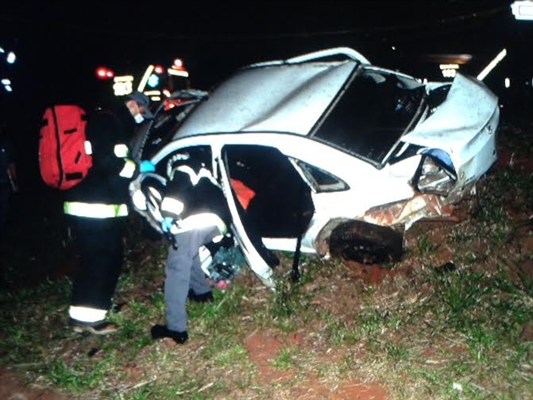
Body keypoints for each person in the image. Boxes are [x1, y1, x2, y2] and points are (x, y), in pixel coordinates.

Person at [64, 91, 155, 335]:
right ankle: (89, 320)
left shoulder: (104, 120)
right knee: (100, 260)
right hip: (97, 207)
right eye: (141, 111)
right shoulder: (109, 121)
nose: (141, 117)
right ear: (133, 104)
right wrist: (137, 169)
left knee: (101, 258)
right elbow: (112, 165)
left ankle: (96, 306)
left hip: (92, 205)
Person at [131, 154, 232, 344]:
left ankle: (176, 328)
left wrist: (169, 216)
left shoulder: (183, 166)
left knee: (177, 268)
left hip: (196, 219)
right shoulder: (203, 170)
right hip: (217, 221)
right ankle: (202, 293)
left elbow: (177, 189)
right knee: (190, 255)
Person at [0, 125, 18, 236]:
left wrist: (14, 182)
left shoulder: (6, 145)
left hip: (4, 183)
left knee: (3, 210)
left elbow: (11, 165)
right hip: (4, 183)